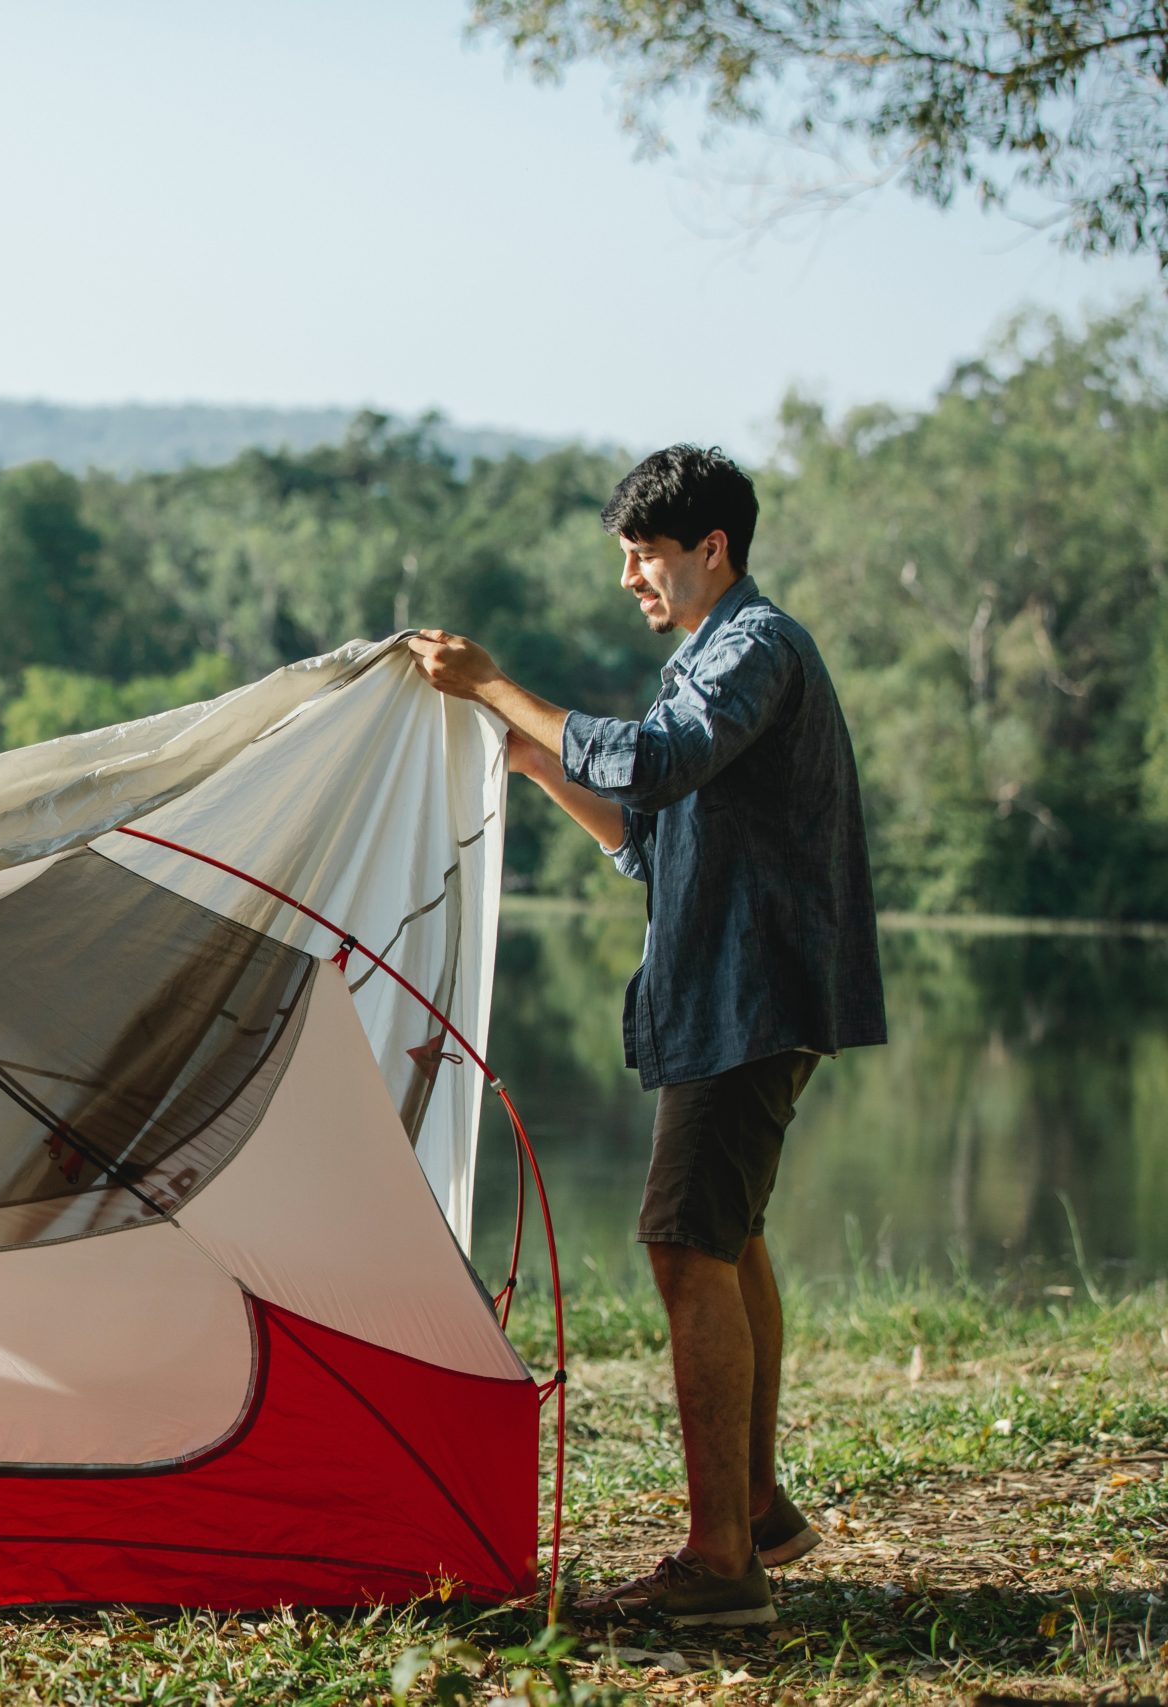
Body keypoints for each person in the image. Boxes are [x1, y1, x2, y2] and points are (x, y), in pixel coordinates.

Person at [408, 445, 885, 1628]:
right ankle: (758, 1513)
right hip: (729, 991)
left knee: (682, 1243)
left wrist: (495, 687)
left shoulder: (754, 649)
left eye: (644, 554)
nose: (630, 577)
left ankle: (722, 1564)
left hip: (751, 993)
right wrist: (528, 759)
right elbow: (648, 837)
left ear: (711, 549)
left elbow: (657, 761)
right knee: (728, 1234)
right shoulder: (704, 663)